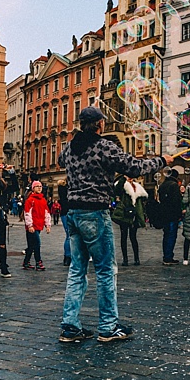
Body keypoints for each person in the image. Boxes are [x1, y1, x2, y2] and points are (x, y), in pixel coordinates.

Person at [58, 104, 170, 345]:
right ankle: (108, 327)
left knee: (77, 271)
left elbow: (60, 160)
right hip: (95, 214)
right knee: (106, 270)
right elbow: (135, 167)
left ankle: (70, 326)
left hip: (73, 214)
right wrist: (161, 161)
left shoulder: (69, 148)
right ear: (100, 125)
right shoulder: (103, 146)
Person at [113, 172, 147, 266]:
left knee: (133, 237)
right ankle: (125, 259)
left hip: (134, 215)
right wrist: (123, 179)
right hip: (124, 214)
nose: (130, 178)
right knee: (124, 237)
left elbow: (140, 202)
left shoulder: (137, 187)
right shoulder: (123, 185)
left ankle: (136, 258)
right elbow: (117, 191)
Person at [155, 168, 184, 266]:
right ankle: (168, 257)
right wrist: (179, 214)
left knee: (166, 235)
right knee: (171, 235)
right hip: (172, 214)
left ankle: (166, 256)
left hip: (164, 214)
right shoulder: (174, 185)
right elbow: (176, 201)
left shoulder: (163, 185)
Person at [21, 180, 50, 270]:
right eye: (37, 186)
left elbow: (46, 213)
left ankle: (26, 262)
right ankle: (38, 262)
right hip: (32, 227)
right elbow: (27, 213)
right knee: (37, 244)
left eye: (40, 186)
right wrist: (30, 225)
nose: (39, 188)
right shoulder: (30, 200)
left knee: (31, 246)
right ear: (33, 188)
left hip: (39, 225)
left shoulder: (43, 200)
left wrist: (48, 225)